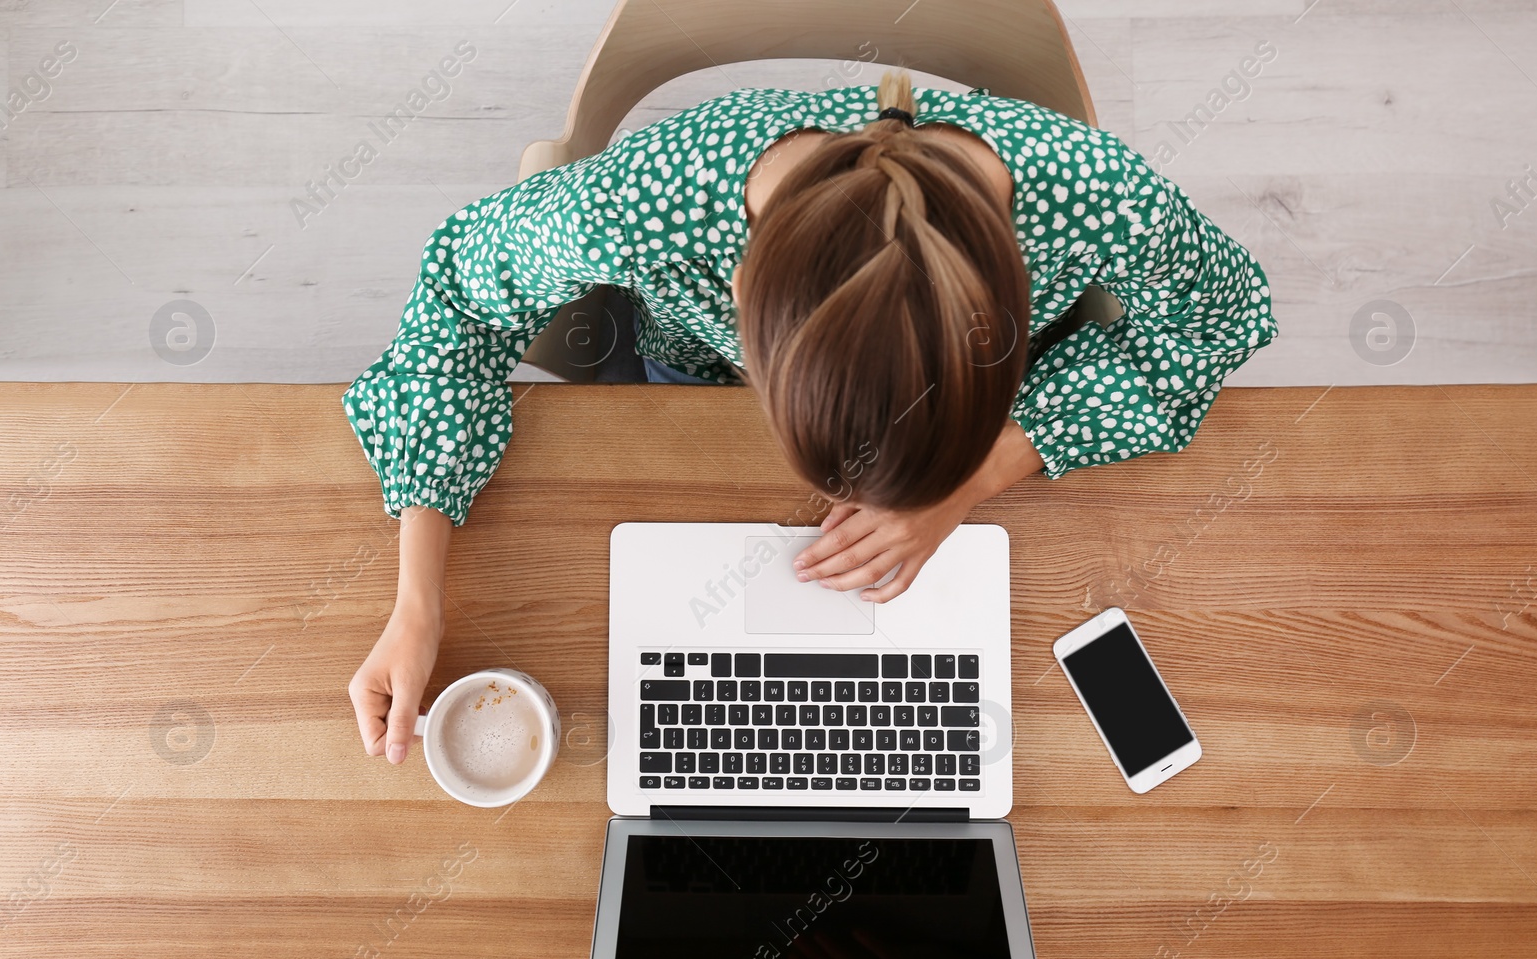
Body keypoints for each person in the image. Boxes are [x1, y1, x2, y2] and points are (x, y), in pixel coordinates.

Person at [344, 71, 1278, 764]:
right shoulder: (640, 203)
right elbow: (457, 301)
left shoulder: (1102, 197)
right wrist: (418, 601)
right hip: (694, 388)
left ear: (1014, 295)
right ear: (742, 286)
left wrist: (976, 477)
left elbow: (1221, 320)